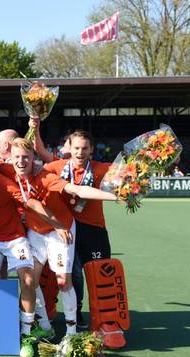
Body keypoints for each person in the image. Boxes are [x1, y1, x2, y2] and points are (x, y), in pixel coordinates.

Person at [42, 130, 125, 346]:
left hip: (94, 230)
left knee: (100, 275)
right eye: (76, 147)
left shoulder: (102, 168)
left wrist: (142, 175)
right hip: (68, 229)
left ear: (91, 150)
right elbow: (32, 169)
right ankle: (76, 315)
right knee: (72, 275)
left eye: (84, 148)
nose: (80, 152)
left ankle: (105, 321)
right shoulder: (56, 167)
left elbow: (129, 175)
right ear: (68, 147)